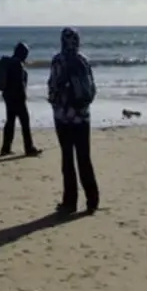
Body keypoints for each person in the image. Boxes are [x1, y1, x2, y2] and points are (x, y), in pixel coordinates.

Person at [48, 27, 99, 215]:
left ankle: (70, 202)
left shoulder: (58, 60)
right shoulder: (84, 60)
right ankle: (92, 200)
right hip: (83, 117)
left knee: (67, 159)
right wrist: (83, 107)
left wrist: (56, 104)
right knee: (84, 158)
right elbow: (92, 89)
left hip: (63, 118)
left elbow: (53, 88)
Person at [0, 41, 41, 157]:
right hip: (17, 98)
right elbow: (19, 84)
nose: (26, 55)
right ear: (22, 53)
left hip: (8, 96)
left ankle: (5, 148)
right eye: (25, 53)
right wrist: (23, 97)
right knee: (25, 122)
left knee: (10, 122)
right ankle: (29, 148)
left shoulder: (9, 62)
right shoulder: (18, 64)